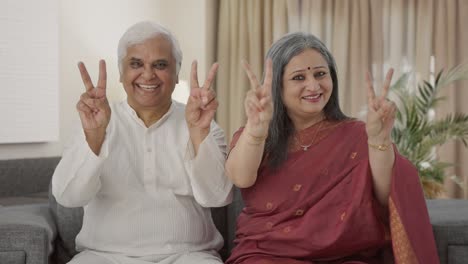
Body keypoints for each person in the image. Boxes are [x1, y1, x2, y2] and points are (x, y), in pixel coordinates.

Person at [225, 32, 438, 264]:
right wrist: (256, 131)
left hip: (344, 256)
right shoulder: (256, 132)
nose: (313, 85)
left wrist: (380, 140)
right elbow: (240, 178)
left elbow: (386, 196)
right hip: (267, 254)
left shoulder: (356, 134)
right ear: (277, 85)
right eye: (298, 78)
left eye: (320, 74)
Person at [52, 21, 233, 264]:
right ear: (121, 73)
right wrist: (95, 138)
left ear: (176, 73)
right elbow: (67, 197)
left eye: (160, 65)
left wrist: (199, 134)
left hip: (189, 255)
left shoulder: (203, 123)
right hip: (103, 256)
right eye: (136, 64)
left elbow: (218, 198)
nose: (148, 74)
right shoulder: (92, 122)